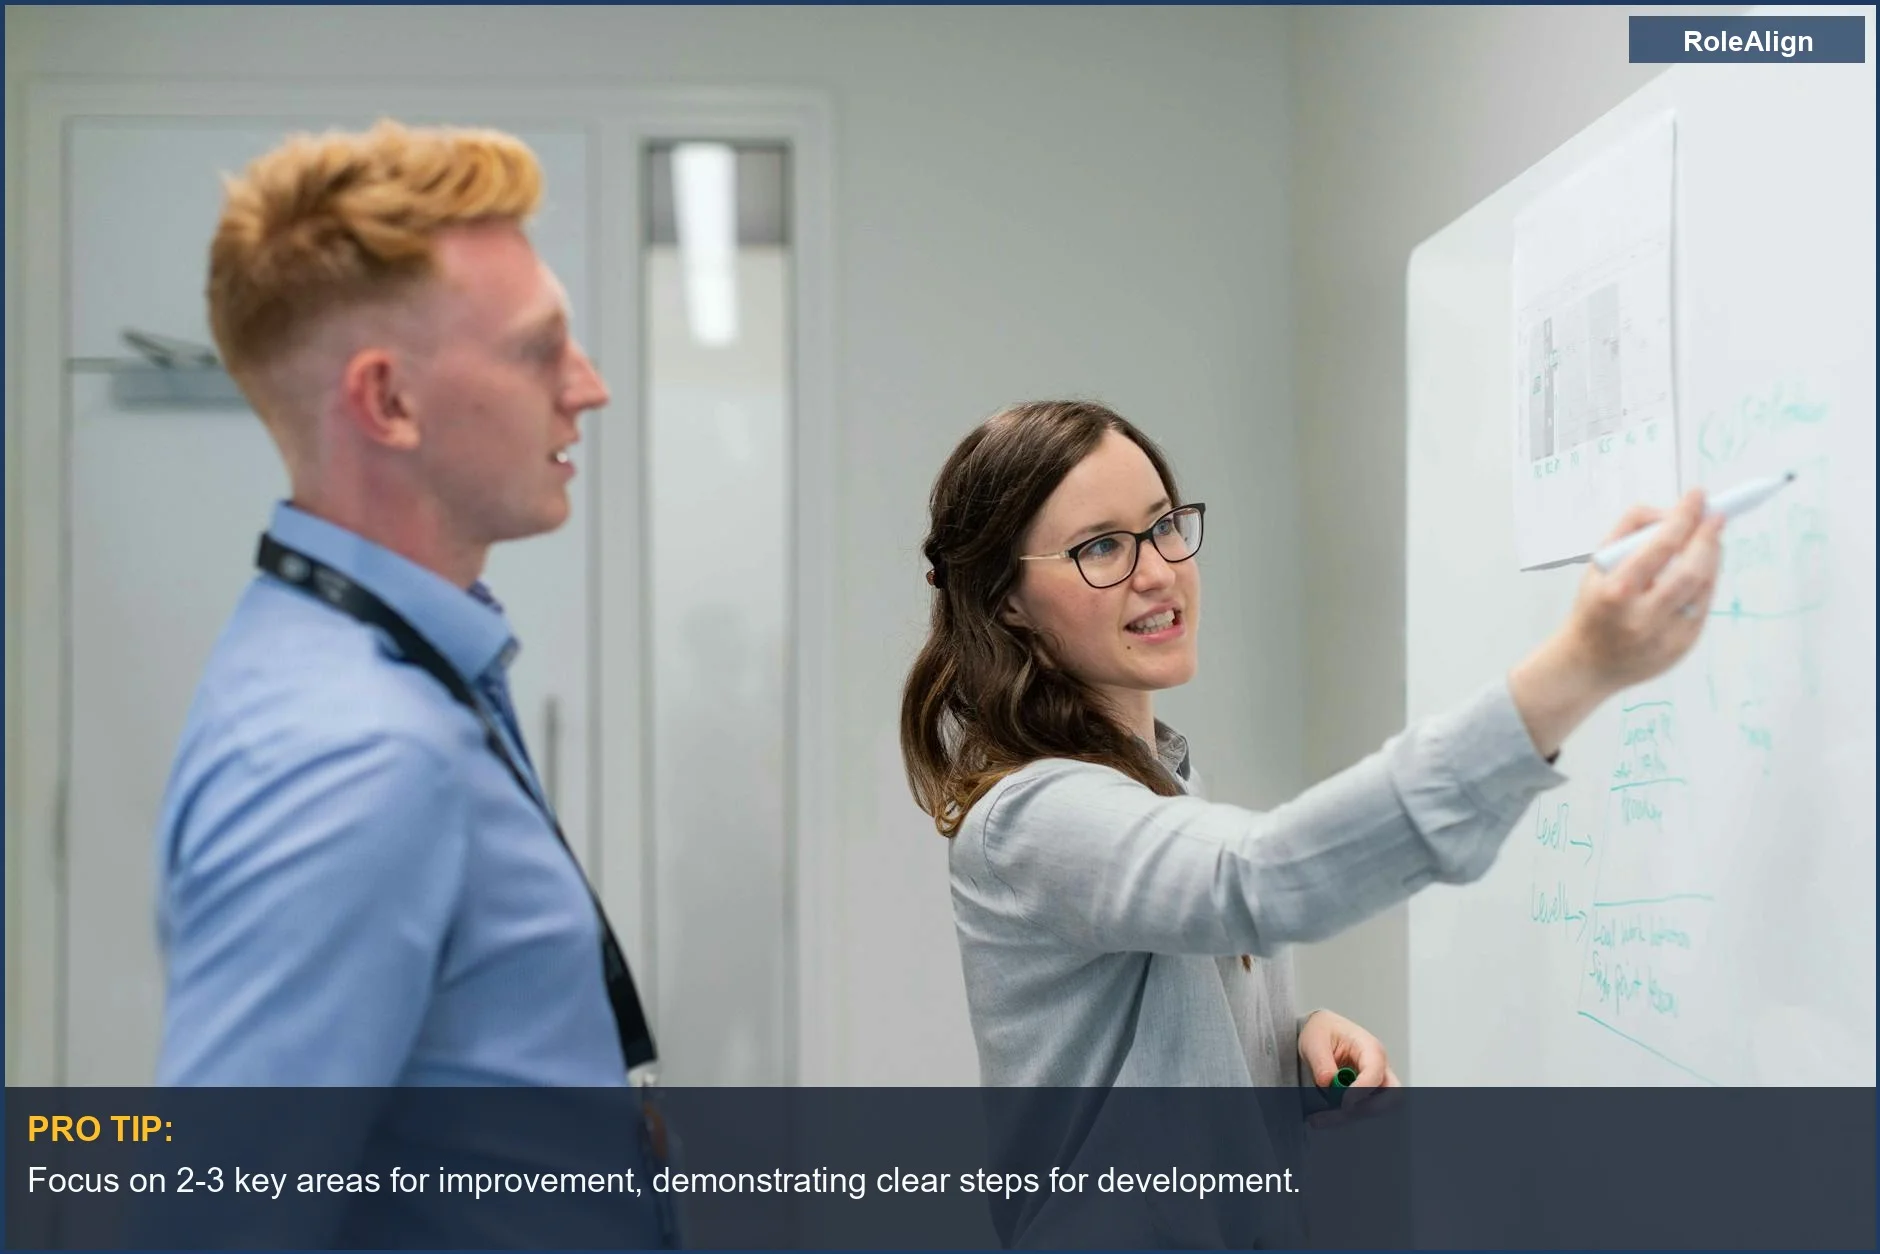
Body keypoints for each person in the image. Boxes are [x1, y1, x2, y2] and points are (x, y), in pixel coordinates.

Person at [147, 120, 670, 1246]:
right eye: (542, 348)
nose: (589, 389)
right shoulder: (350, 754)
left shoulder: (385, 666)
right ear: (387, 402)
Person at [901, 399, 1723, 1094]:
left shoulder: (1160, 780)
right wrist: (1575, 670)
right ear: (1007, 602)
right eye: (1102, 547)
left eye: (1163, 526)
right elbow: (1256, 878)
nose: (1159, 572)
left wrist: (1281, 1042)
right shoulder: (1031, 819)